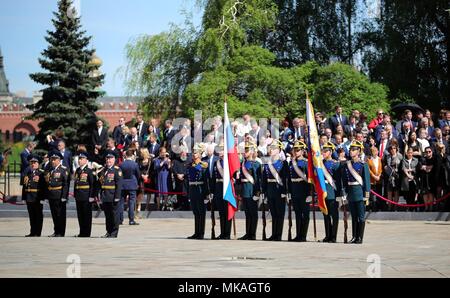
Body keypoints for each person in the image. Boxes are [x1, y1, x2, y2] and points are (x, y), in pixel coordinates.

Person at [342, 141, 370, 244]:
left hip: (359, 193)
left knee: (361, 217)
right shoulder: (347, 165)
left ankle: (359, 238)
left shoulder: (363, 165)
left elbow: (366, 181)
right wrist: (344, 193)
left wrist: (366, 196)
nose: (351, 151)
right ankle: (354, 236)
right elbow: (345, 181)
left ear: (359, 151)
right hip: (351, 193)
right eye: (350, 149)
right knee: (353, 216)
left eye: (353, 150)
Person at [262, 140, 288, 241]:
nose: (271, 150)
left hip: (279, 190)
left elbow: (285, 179)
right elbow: (264, 179)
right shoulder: (267, 163)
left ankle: (278, 235)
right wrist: (263, 192)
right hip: (270, 190)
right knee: (273, 213)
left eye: (274, 148)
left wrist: (284, 192)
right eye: (270, 148)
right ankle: (273, 234)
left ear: (279, 150)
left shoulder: (283, 163)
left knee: (279, 214)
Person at [237, 141, 261, 241]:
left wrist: (257, 193)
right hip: (244, 190)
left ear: (251, 151)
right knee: (247, 213)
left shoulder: (255, 164)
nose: (244, 152)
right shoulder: (243, 163)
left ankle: (252, 234)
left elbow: (257, 179)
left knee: (253, 213)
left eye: (246, 150)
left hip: (251, 190)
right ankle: (248, 233)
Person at [287, 140, 310, 242]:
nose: (296, 152)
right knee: (297, 214)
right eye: (294, 150)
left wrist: (310, 194)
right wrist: (289, 192)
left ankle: (303, 235)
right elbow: (289, 179)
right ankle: (298, 235)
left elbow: (310, 180)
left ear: (302, 151)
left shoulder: (306, 163)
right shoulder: (291, 163)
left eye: (298, 150)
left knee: (305, 214)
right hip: (295, 190)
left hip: (304, 191)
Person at [96, 151, 123, 238]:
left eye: (110, 159)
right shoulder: (104, 170)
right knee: (108, 216)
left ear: (114, 160)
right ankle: (108, 231)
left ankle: (114, 233)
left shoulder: (117, 170)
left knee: (114, 215)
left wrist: (117, 197)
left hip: (113, 195)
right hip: (105, 196)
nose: (108, 160)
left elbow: (119, 185)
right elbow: (100, 183)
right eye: (107, 159)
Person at [321, 141, 343, 243]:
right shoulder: (320, 164)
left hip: (332, 192)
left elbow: (338, 181)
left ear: (330, 152)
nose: (323, 153)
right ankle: (327, 235)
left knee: (334, 215)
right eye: (323, 151)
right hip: (323, 192)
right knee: (326, 215)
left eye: (325, 151)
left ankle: (333, 236)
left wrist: (339, 195)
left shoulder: (335, 164)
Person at [186, 144, 209, 240]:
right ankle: (196, 232)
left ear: (200, 154)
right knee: (195, 211)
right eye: (193, 152)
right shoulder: (190, 165)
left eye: (195, 152)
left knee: (201, 212)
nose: (193, 154)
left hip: (200, 189)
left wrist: (207, 194)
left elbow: (206, 181)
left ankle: (201, 233)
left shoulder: (203, 165)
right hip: (192, 189)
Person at [45, 151, 70, 237]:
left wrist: (64, 196)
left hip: (59, 195)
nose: (53, 161)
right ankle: (56, 231)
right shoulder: (50, 170)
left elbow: (66, 184)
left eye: (54, 159)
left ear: (59, 160)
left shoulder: (63, 169)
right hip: (52, 195)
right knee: (54, 214)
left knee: (60, 214)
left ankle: (61, 232)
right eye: (52, 159)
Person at [22, 154, 45, 237]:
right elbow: (24, 186)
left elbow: (43, 187)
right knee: (31, 216)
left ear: (38, 164)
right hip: (29, 197)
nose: (33, 164)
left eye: (35, 162)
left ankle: (37, 232)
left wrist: (42, 198)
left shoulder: (41, 173)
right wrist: (24, 197)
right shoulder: (27, 173)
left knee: (38, 216)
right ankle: (32, 232)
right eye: (31, 162)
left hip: (37, 197)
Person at [74, 152, 95, 237]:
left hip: (86, 196)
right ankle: (82, 232)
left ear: (86, 160)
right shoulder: (78, 170)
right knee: (80, 215)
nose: (80, 160)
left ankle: (87, 233)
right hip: (79, 196)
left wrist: (91, 196)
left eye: (82, 159)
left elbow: (92, 184)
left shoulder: (89, 171)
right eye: (79, 159)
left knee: (86, 216)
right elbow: (76, 183)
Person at [119, 149, 140, 225]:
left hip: (123, 185)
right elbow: (138, 175)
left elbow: (119, 175)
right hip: (132, 185)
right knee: (131, 203)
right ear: (132, 156)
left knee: (121, 203)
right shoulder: (135, 164)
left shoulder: (121, 164)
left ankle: (120, 220)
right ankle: (131, 220)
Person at [383, 143, 403, 211]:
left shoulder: (400, 156)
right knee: (389, 192)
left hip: (397, 176)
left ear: (396, 149)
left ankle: (395, 206)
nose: (393, 150)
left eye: (394, 148)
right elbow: (385, 164)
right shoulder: (387, 156)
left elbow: (402, 165)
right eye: (391, 148)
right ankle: (389, 206)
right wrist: (385, 167)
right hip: (389, 176)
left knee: (396, 192)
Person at [368, 147, 384, 211]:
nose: (375, 152)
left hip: (379, 180)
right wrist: (374, 176)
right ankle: (373, 207)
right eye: (374, 151)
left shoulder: (380, 159)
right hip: (372, 180)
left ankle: (379, 207)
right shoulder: (369, 160)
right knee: (372, 195)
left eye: (376, 151)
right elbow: (369, 170)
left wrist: (379, 175)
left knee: (379, 194)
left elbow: (381, 169)